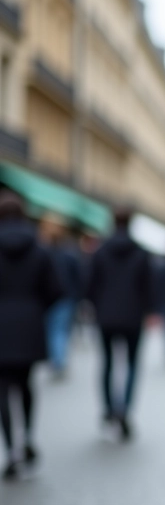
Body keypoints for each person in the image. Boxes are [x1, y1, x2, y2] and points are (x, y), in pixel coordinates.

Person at [0, 192, 62, 480]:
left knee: (3, 390)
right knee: (26, 385)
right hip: (29, 324)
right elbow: (55, 289)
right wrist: (35, 309)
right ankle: (27, 439)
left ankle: (11, 447)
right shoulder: (38, 248)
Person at [86, 206, 153, 440]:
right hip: (133, 316)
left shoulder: (100, 251)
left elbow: (90, 285)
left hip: (105, 315)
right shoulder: (141, 252)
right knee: (132, 364)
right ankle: (124, 408)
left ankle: (108, 409)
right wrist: (149, 310)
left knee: (107, 363)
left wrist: (96, 307)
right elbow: (148, 287)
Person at [41, 217, 82, 380]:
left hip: (52, 299)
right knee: (60, 331)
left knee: (53, 330)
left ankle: (57, 361)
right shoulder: (69, 254)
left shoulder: (44, 253)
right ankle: (59, 361)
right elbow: (79, 277)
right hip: (67, 298)